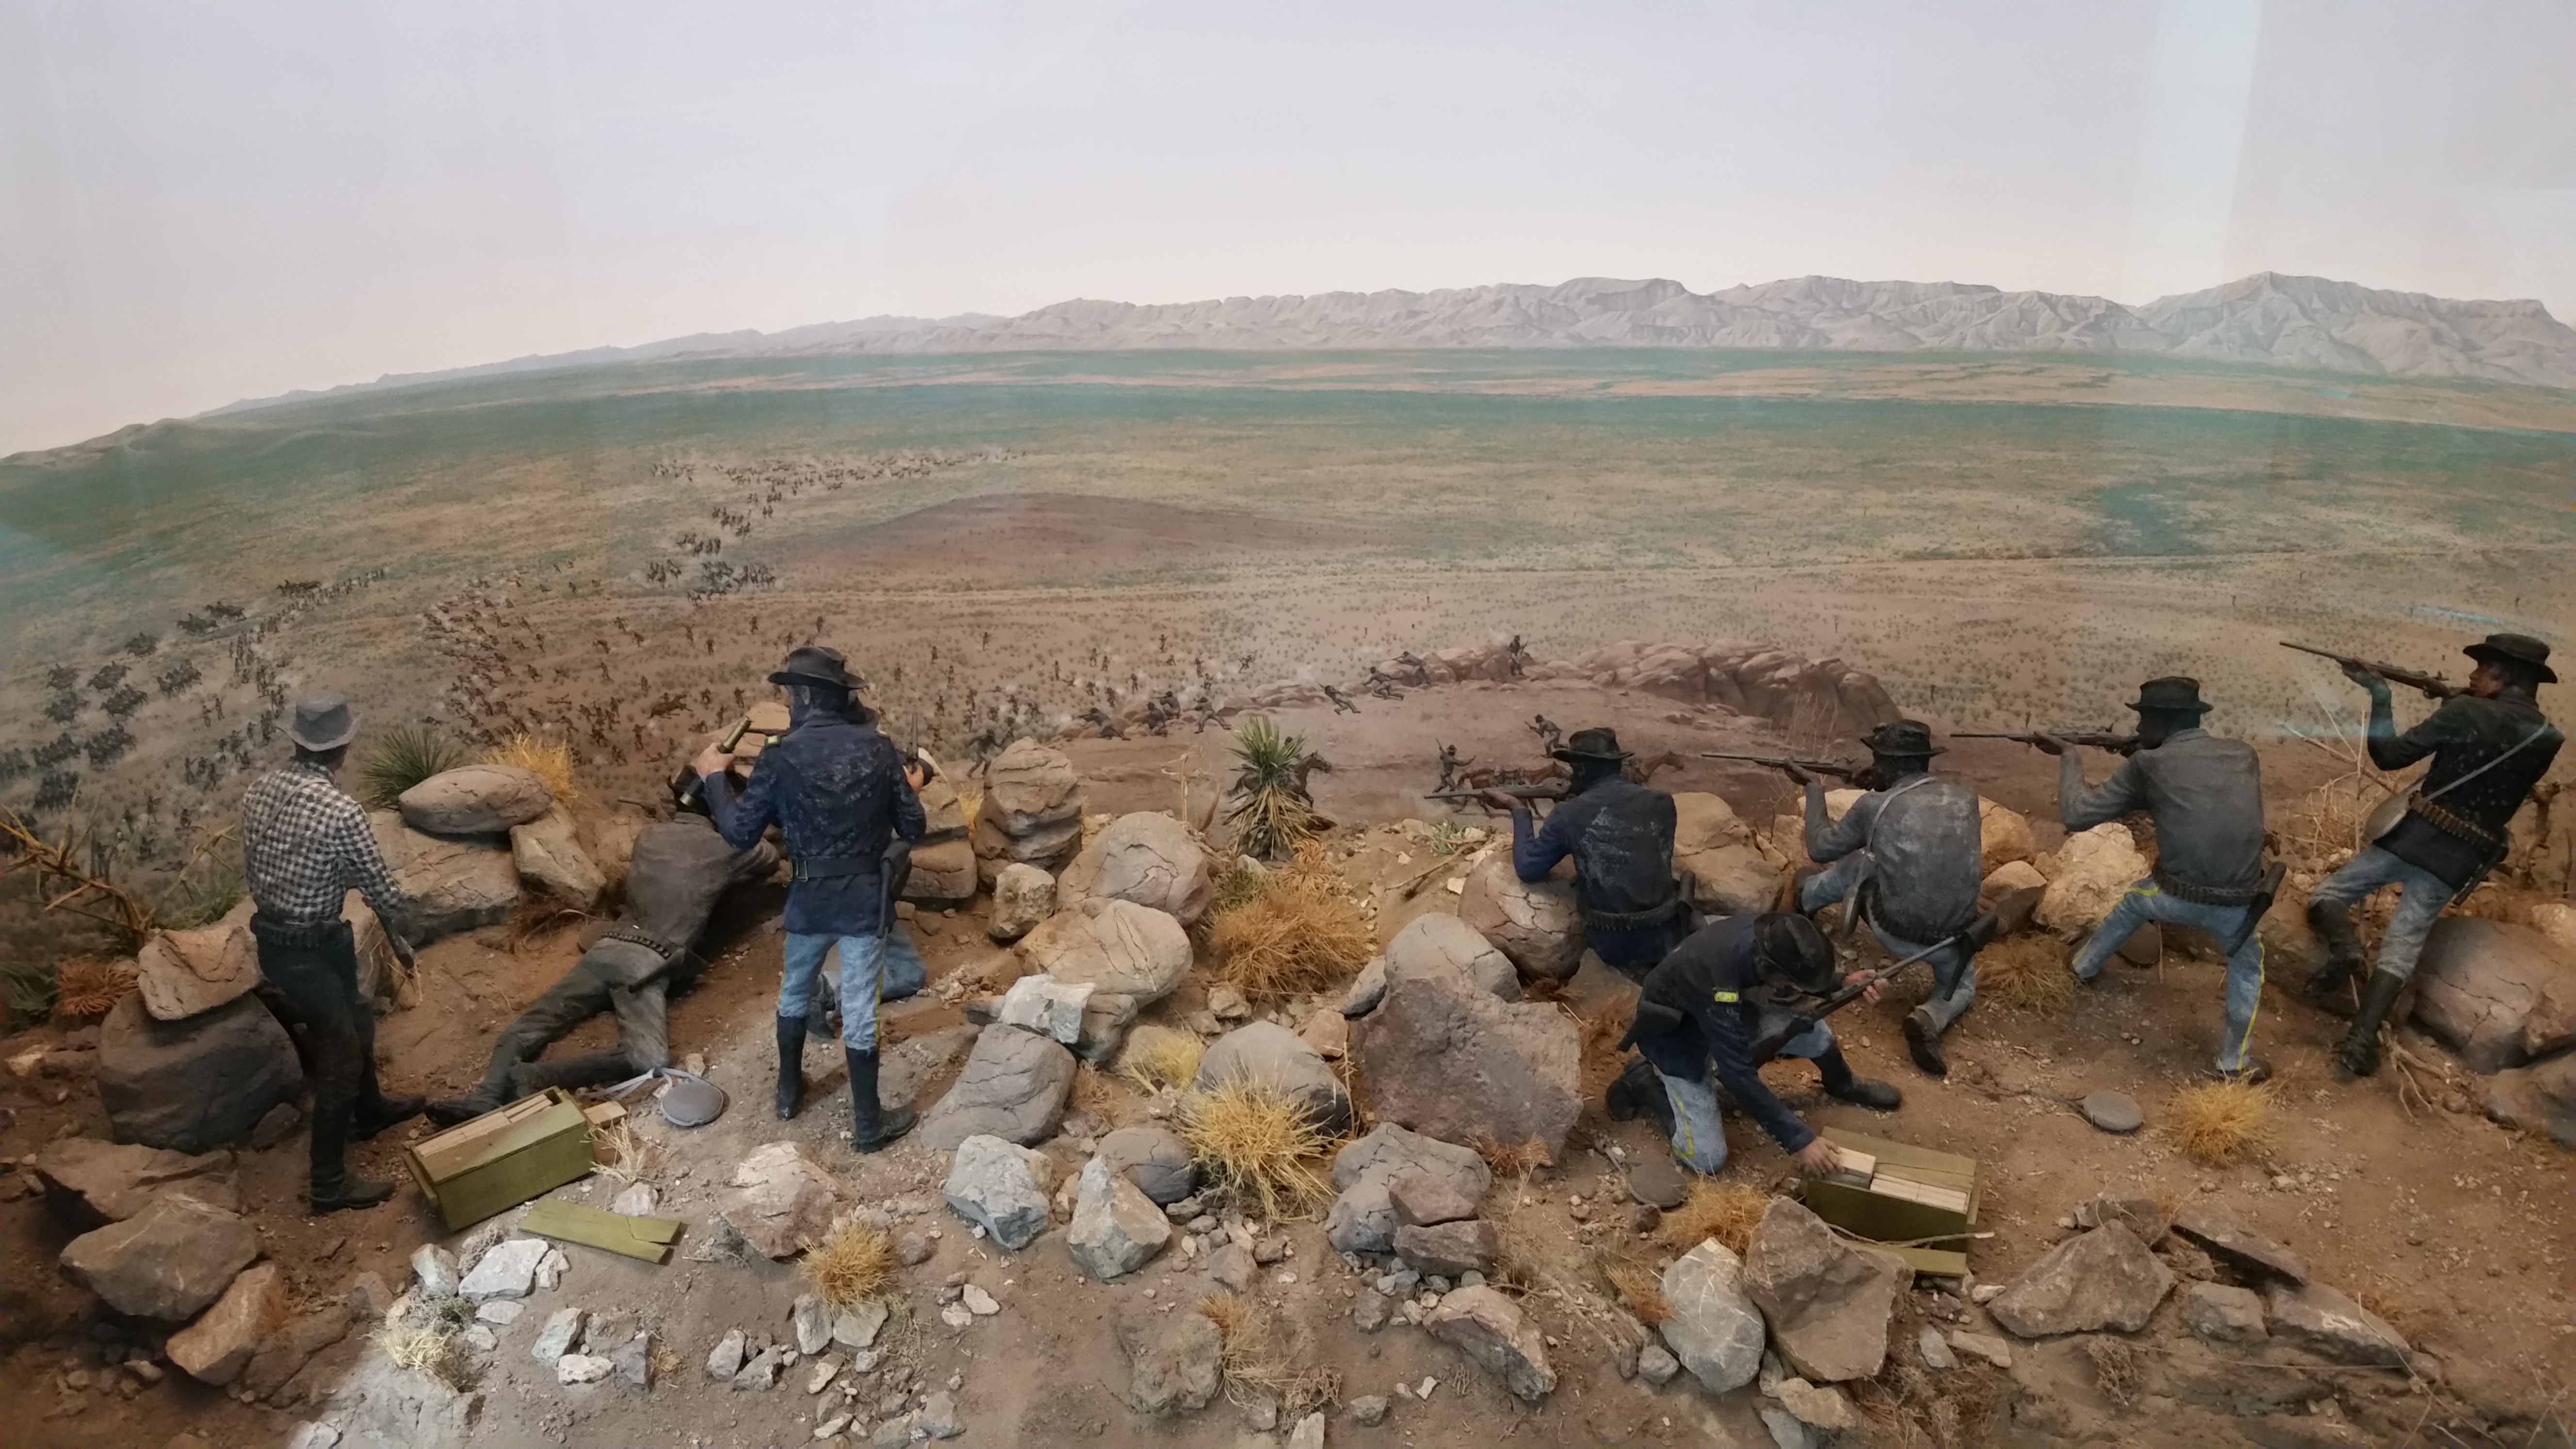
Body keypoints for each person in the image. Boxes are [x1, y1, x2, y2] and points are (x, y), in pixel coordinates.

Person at [423, 769, 781, 1127]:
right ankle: (536, 1076)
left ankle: (485, 1097)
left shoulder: (651, 835)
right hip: (646, 963)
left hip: (608, 946)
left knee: (528, 1027)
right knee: (649, 1060)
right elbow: (767, 858)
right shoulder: (728, 848)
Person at [696, 646, 927, 1152]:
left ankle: (788, 1093)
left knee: (794, 992)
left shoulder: (780, 756)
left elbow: (739, 832)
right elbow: (912, 827)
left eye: (789, 694)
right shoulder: (879, 750)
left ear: (802, 695)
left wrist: (714, 777)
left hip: (808, 899)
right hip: (863, 900)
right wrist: (906, 791)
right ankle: (867, 1124)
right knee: (860, 1008)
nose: (787, 702)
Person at [2304, 633, 2562, 1078]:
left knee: (2328, 895)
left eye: (2482, 670)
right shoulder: (2547, 737)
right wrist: (2455, 704)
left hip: (2415, 836)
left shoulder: (2466, 711)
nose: (2473, 676)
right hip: (2461, 856)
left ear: (2501, 676)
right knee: (2402, 948)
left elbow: (2389, 756)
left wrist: (2381, 695)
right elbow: (2496, 746)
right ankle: (2359, 1042)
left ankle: (2346, 950)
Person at [238, 692, 426, 1213]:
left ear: (299, 742)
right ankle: (327, 1183)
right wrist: (410, 920)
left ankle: (370, 1109)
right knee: (341, 1056)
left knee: (358, 1016)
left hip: (283, 942)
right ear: (343, 749)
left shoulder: (258, 792)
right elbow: (381, 890)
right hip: (312, 949)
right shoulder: (341, 812)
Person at [2041, 677, 2273, 1081]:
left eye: (2143, 721)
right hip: (2241, 905)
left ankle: (2083, 967)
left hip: (2173, 895)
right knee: (2249, 968)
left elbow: (2077, 815)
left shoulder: (2148, 765)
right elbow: (2198, 788)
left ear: (2159, 722)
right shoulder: (2243, 754)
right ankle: (2233, 1063)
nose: (2138, 729)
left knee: (2135, 900)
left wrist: (2069, 756)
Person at [1607, 912, 1901, 1175]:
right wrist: (1801, 1140)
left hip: (1727, 1014)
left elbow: (1789, 976)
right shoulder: (1718, 984)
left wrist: (1842, 982)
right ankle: (1645, 1082)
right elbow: (1738, 1074)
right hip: (1677, 1040)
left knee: (1815, 1035)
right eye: (1792, 984)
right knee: (1706, 1158)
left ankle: (1842, 1084)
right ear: (1771, 971)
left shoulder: (1771, 934)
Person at [1787, 720, 1983, 1077]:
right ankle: (1930, 1016)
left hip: (1898, 930)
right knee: (1964, 984)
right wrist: (1882, 785)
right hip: (1954, 938)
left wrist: (1814, 789)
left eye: (1877, 760)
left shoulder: (1873, 806)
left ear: (1890, 763)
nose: (1873, 766)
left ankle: (1807, 899)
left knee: (1856, 864)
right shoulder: (1965, 797)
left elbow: (1820, 848)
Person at [1482, 727, 1684, 977]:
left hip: (1612, 942)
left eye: (1574, 768)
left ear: (1583, 770)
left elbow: (1528, 867)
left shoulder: (1569, 814)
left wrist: (1518, 809)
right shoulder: (1662, 802)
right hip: (1667, 930)